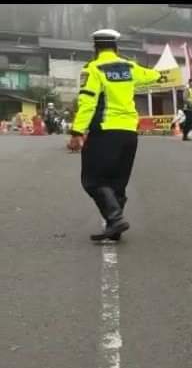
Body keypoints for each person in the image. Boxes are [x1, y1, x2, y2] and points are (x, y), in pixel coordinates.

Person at [67, 29, 160, 241]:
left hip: (106, 131)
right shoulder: (130, 67)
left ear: (95, 48)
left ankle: (115, 219)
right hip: (129, 133)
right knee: (118, 182)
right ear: (116, 48)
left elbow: (87, 102)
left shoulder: (92, 69)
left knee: (92, 180)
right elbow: (153, 75)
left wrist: (77, 132)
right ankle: (114, 227)